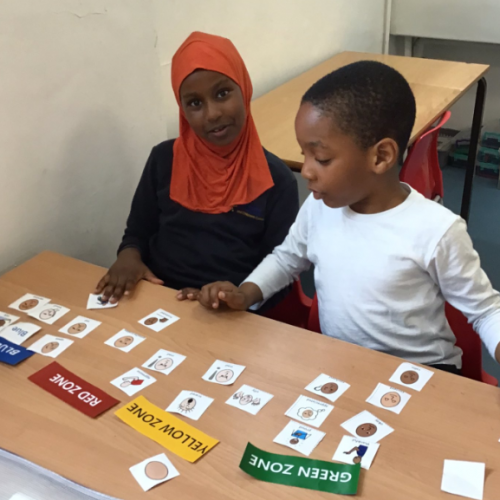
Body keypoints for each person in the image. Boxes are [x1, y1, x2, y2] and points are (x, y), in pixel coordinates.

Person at [196, 60, 500, 373]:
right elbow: (286, 260)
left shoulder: (436, 230)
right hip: (343, 364)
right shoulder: (319, 207)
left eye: (321, 158)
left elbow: (486, 311)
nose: (306, 171)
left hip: (419, 372)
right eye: (304, 155)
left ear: (380, 156)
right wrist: (245, 293)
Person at [94, 32, 298, 305]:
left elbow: (281, 272)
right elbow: (137, 233)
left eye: (222, 93)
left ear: (244, 89)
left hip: (233, 310)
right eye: (195, 103)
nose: (212, 113)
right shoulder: (163, 159)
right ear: (182, 110)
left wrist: (236, 297)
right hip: (161, 298)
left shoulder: (277, 181)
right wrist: (128, 256)